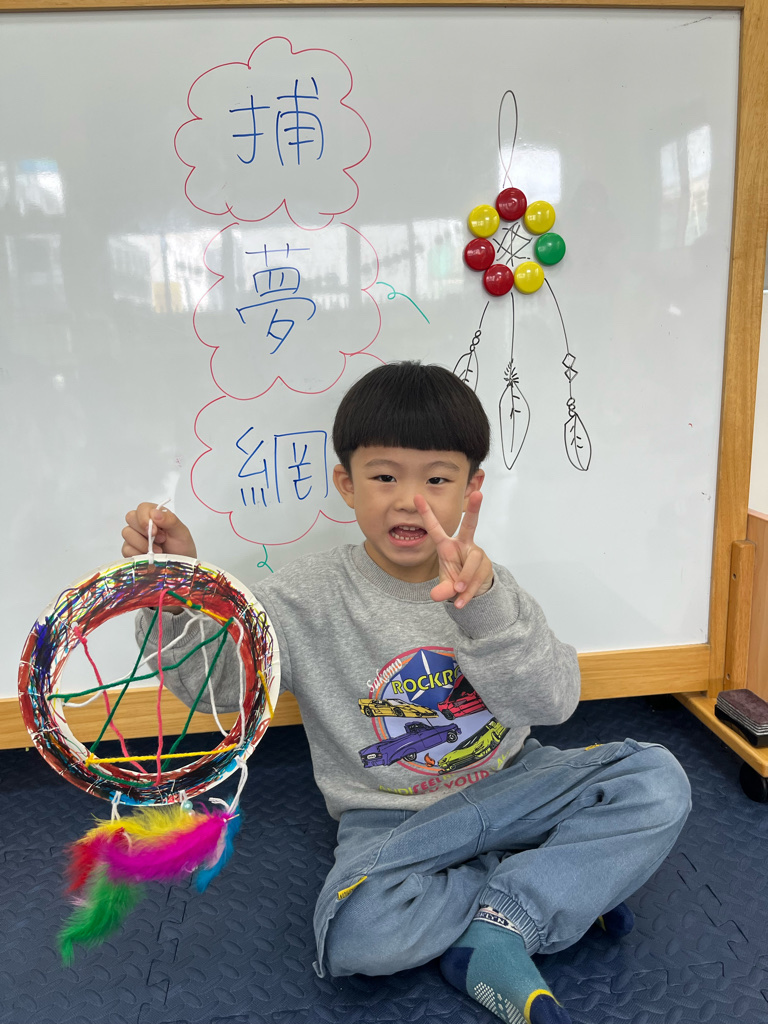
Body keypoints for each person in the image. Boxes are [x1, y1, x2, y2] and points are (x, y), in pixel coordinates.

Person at [122, 361, 691, 1024]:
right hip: (392, 820)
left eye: (437, 480)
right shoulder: (301, 598)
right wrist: (179, 592)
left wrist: (484, 611)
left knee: (656, 780)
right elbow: (215, 688)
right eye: (385, 477)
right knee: (357, 935)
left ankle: (504, 917)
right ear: (347, 483)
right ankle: (538, 893)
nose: (408, 500)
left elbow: (552, 704)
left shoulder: (492, 588)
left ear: (471, 490)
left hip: (515, 784)